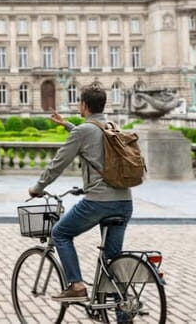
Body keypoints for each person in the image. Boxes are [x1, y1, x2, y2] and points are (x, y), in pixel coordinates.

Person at [28, 83, 133, 303]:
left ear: (83, 105)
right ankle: (123, 313)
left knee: (60, 234)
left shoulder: (83, 131)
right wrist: (67, 124)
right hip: (124, 201)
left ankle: (76, 285)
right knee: (112, 262)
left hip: (99, 203)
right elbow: (90, 135)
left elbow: (58, 164)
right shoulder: (112, 126)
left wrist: (38, 188)